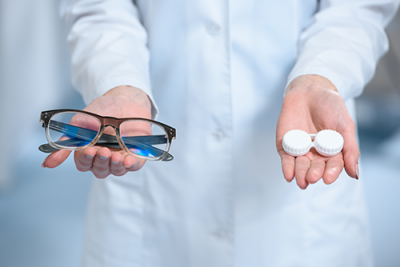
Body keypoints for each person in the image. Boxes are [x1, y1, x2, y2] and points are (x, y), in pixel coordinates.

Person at [43, 0, 398, 266]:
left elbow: (358, 9)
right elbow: (98, 6)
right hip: (148, 172)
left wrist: (321, 76)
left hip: (299, 195)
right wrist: (120, 82)